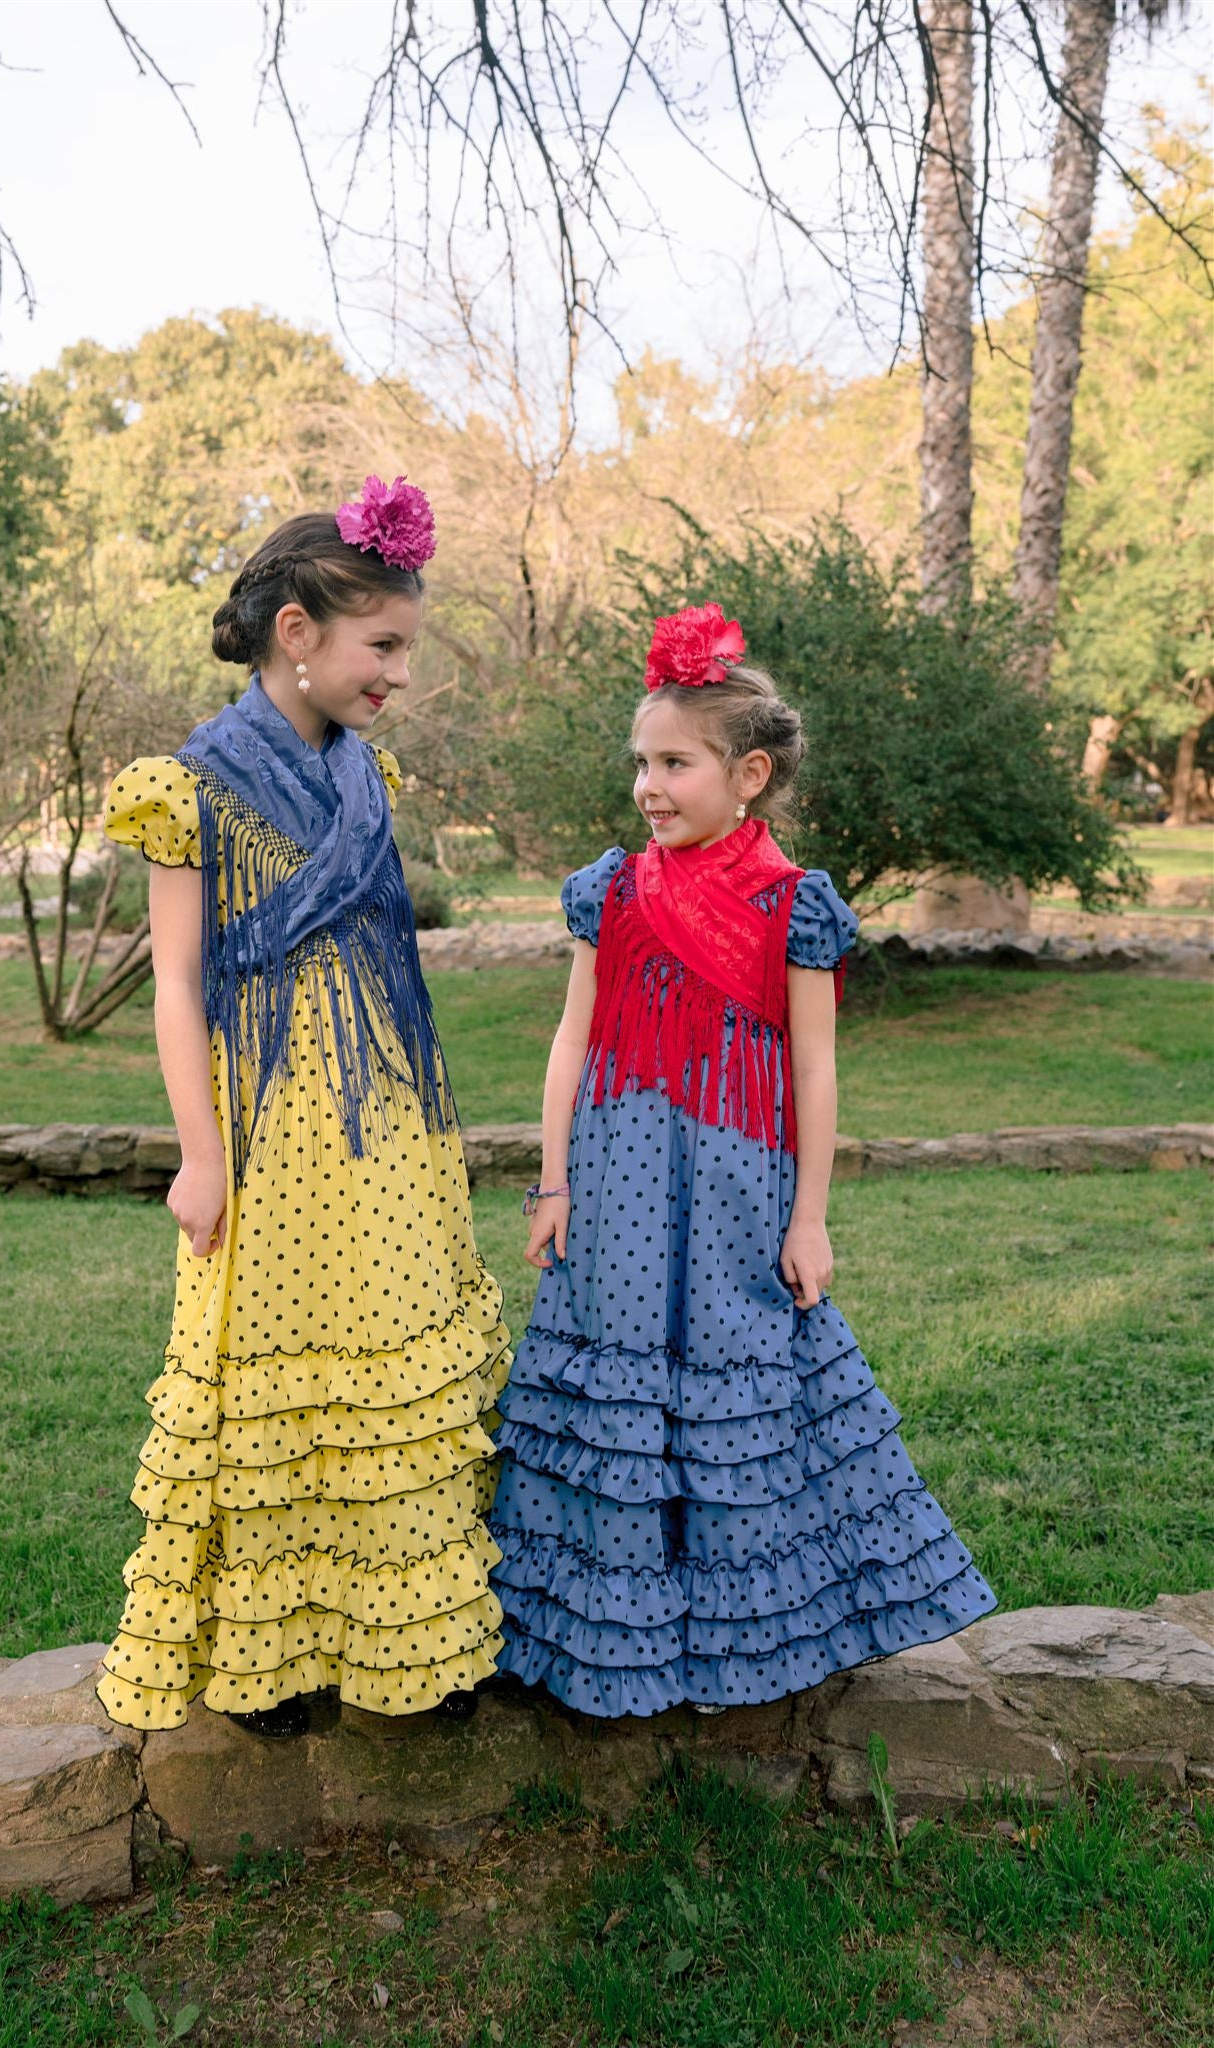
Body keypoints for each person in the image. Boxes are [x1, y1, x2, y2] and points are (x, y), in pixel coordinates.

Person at [489, 601, 996, 1716]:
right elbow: (574, 1035)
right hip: (615, 1189)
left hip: (736, 1194)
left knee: (739, 1405)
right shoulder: (610, 891)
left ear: (749, 773)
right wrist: (553, 1179)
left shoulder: (792, 905)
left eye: (675, 762)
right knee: (614, 1406)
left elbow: (815, 1072)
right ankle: (605, 1637)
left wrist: (808, 1217)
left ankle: (745, 1642)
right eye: (641, 762)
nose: (648, 785)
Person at [97, 478, 509, 1736]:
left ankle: (410, 1638)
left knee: (387, 1365)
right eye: (381, 646)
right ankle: (275, 1659)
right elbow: (175, 985)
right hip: (267, 1123)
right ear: (299, 635)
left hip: (381, 1113)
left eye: (403, 650)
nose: (397, 674)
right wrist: (197, 1154)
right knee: (278, 1371)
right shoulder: (194, 786)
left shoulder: (365, 777)